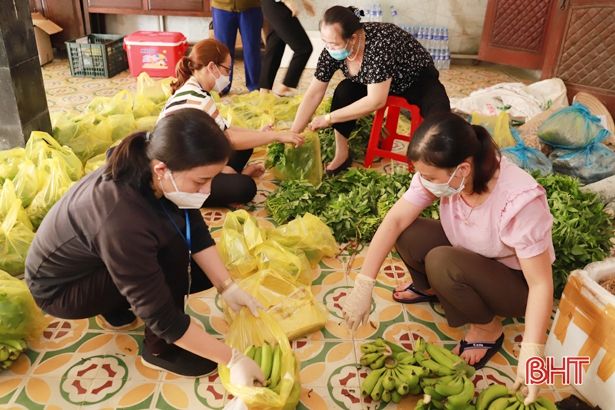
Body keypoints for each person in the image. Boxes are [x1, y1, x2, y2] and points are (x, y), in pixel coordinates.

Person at [25, 109, 266, 383]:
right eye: (201, 181)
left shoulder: (149, 164)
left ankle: (114, 305)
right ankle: (160, 350)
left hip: (92, 262)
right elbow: (161, 315)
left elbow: (193, 226)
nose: (208, 190)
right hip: (61, 291)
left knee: (191, 262)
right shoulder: (121, 218)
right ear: (162, 169)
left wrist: (228, 286)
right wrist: (232, 358)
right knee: (173, 252)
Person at [341, 112, 555, 405]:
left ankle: (487, 328)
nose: (424, 182)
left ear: (463, 169)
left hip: (514, 285)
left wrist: (533, 349)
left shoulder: (518, 200)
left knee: (442, 261)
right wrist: (363, 284)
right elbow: (394, 221)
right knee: (408, 231)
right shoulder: (448, 176)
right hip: (468, 252)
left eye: (429, 177)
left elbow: (541, 284)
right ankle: (432, 288)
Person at [291, 5, 450, 175]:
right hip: (372, 82)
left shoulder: (380, 44)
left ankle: (433, 168)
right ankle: (342, 153)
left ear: (353, 38)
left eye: (334, 43)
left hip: (415, 80)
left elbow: (376, 101)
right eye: (325, 42)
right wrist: (293, 134)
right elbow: (314, 92)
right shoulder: (331, 51)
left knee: (441, 121)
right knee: (344, 91)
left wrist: (329, 118)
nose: (329, 48)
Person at [160, 38, 303, 207]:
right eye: (227, 70)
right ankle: (231, 178)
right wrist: (276, 136)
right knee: (245, 188)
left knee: (246, 146)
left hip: (192, 159)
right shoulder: (199, 99)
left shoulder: (196, 90)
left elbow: (226, 129)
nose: (228, 77)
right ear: (212, 67)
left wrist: (260, 135)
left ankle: (230, 175)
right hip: (178, 179)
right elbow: (229, 139)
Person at [259, 0, 315, 96]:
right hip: (277, 4)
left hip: (272, 4)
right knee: (304, 48)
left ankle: (264, 91)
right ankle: (284, 87)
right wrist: (287, 1)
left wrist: (305, 2)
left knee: (275, 45)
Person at [211, 0, 263, 94]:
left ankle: (255, 86)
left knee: (252, 49)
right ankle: (222, 86)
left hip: (251, 6)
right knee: (222, 50)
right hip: (221, 6)